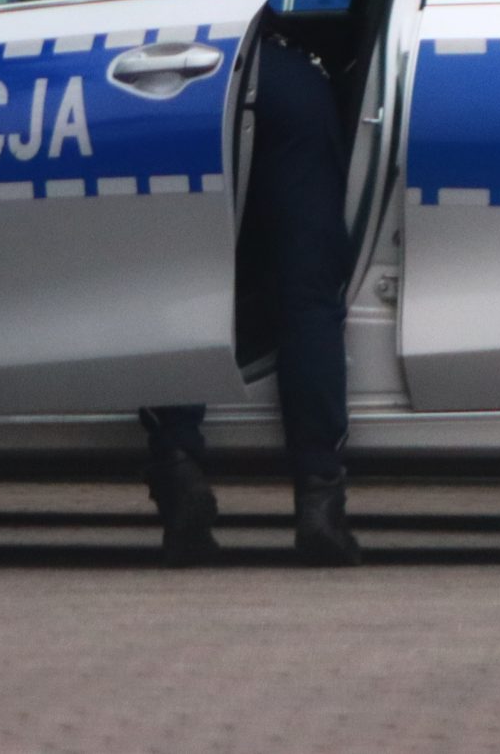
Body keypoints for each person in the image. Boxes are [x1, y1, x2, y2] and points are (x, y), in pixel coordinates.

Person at [140, 30, 361, 568]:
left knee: (173, 278)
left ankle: (178, 467)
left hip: (178, 85)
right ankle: (320, 501)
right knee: (307, 295)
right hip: (287, 77)